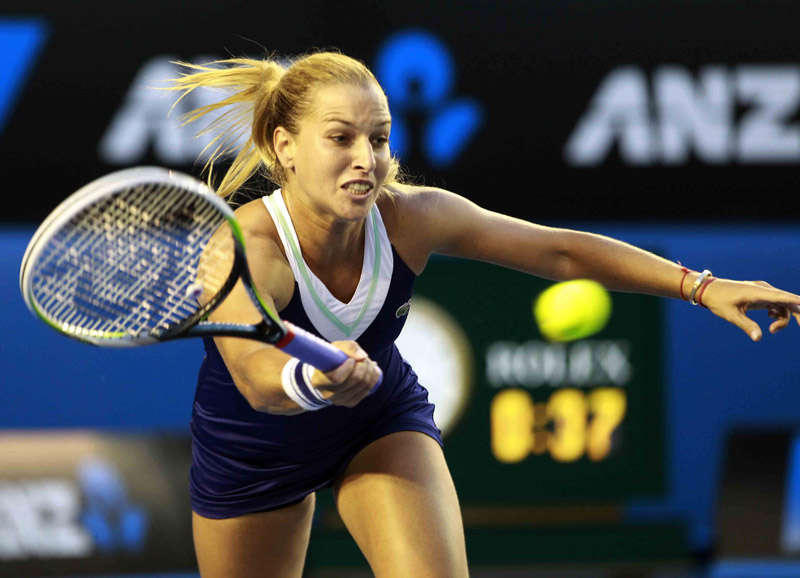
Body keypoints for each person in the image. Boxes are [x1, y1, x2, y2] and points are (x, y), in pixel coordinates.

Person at [168, 50, 800, 578]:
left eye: (379, 138)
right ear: (284, 147)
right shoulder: (247, 248)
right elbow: (255, 377)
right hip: (254, 454)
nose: (367, 158)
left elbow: (559, 251)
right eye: (341, 138)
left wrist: (700, 286)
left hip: (373, 423)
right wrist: (314, 379)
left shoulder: (411, 217)